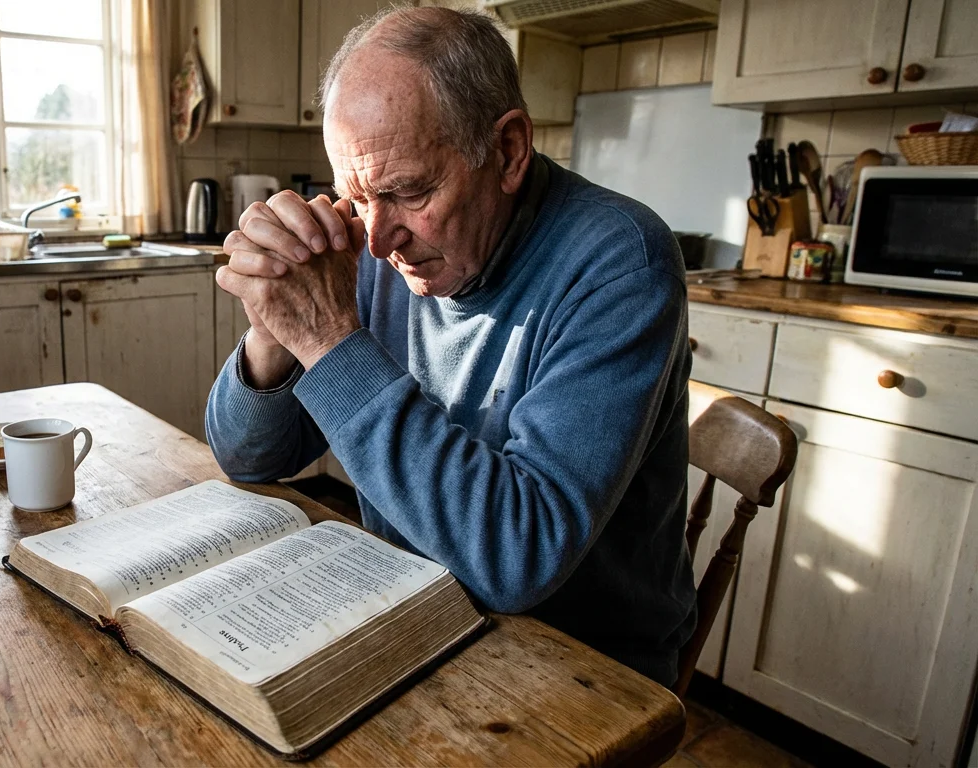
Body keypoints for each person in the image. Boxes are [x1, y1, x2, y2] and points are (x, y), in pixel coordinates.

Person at [204, 5, 697, 686]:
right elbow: (248, 456)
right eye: (356, 196)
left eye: (409, 191)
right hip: (411, 603)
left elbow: (517, 558)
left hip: (582, 664)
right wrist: (276, 328)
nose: (377, 240)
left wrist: (328, 339)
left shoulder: (620, 262)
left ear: (509, 151)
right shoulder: (379, 239)